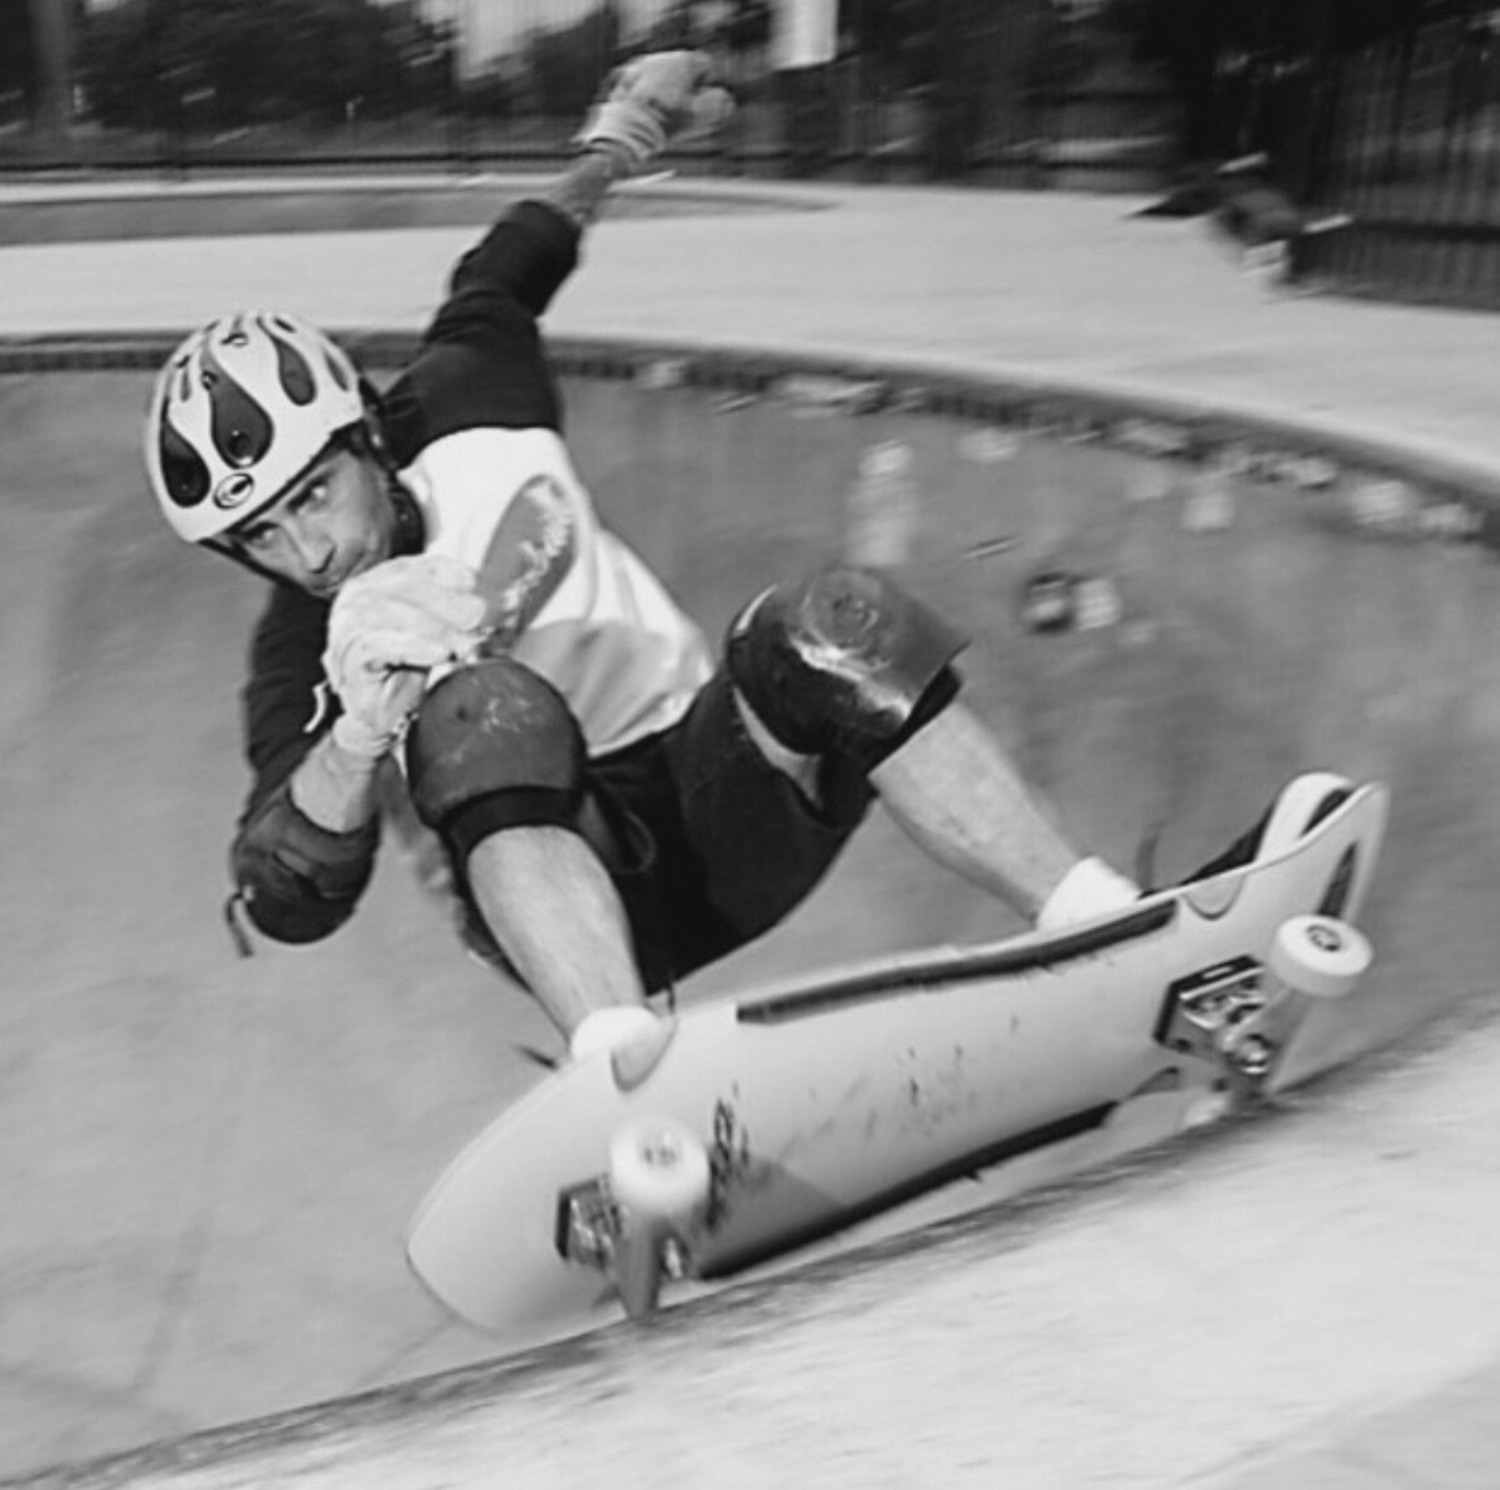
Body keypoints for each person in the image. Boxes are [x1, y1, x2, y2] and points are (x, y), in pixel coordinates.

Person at [142, 51, 1316, 1090]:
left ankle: (1112, 936)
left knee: (826, 619)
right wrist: (354, 736)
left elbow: (517, 252)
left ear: (360, 433)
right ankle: (627, 1075)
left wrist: (619, 137)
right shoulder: (302, 653)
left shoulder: (467, 397)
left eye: (310, 498)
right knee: (479, 706)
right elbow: (282, 892)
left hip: (726, 810)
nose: (306, 552)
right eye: (259, 538)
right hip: (563, 889)